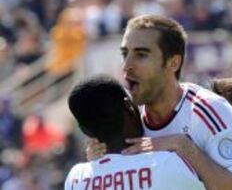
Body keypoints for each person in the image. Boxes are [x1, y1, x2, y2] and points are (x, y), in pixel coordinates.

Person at [87, 14, 232, 190]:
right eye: (125, 54)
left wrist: (183, 146)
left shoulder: (208, 110)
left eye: (141, 55)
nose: (126, 65)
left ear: (173, 62)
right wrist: (98, 164)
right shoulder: (126, 117)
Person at [65, 75, 206, 190]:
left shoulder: (76, 178)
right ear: (129, 107)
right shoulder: (168, 164)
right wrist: (182, 144)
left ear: (85, 131)